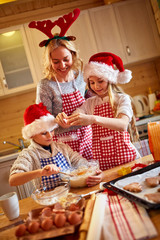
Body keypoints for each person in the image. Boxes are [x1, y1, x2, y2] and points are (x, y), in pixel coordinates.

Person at [56, 52, 140, 171]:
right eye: (92, 82)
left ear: (109, 79)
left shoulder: (121, 99)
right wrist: (64, 119)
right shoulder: (90, 103)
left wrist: (93, 118)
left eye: (100, 81)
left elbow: (122, 124)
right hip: (104, 165)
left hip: (127, 160)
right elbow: (76, 115)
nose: (96, 86)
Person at [29, 8, 92, 160]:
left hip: (89, 139)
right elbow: (42, 123)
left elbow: (91, 103)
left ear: (73, 55)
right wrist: (56, 122)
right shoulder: (45, 86)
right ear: (49, 62)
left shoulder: (81, 77)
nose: (62, 65)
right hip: (63, 146)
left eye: (66, 59)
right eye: (56, 62)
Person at [9, 103, 103, 190]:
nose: (50, 136)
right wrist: (41, 172)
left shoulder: (62, 147)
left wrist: (93, 171)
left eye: (52, 130)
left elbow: (79, 161)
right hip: (49, 198)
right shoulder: (29, 154)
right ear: (32, 134)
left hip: (70, 193)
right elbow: (13, 180)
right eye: (44, 133)